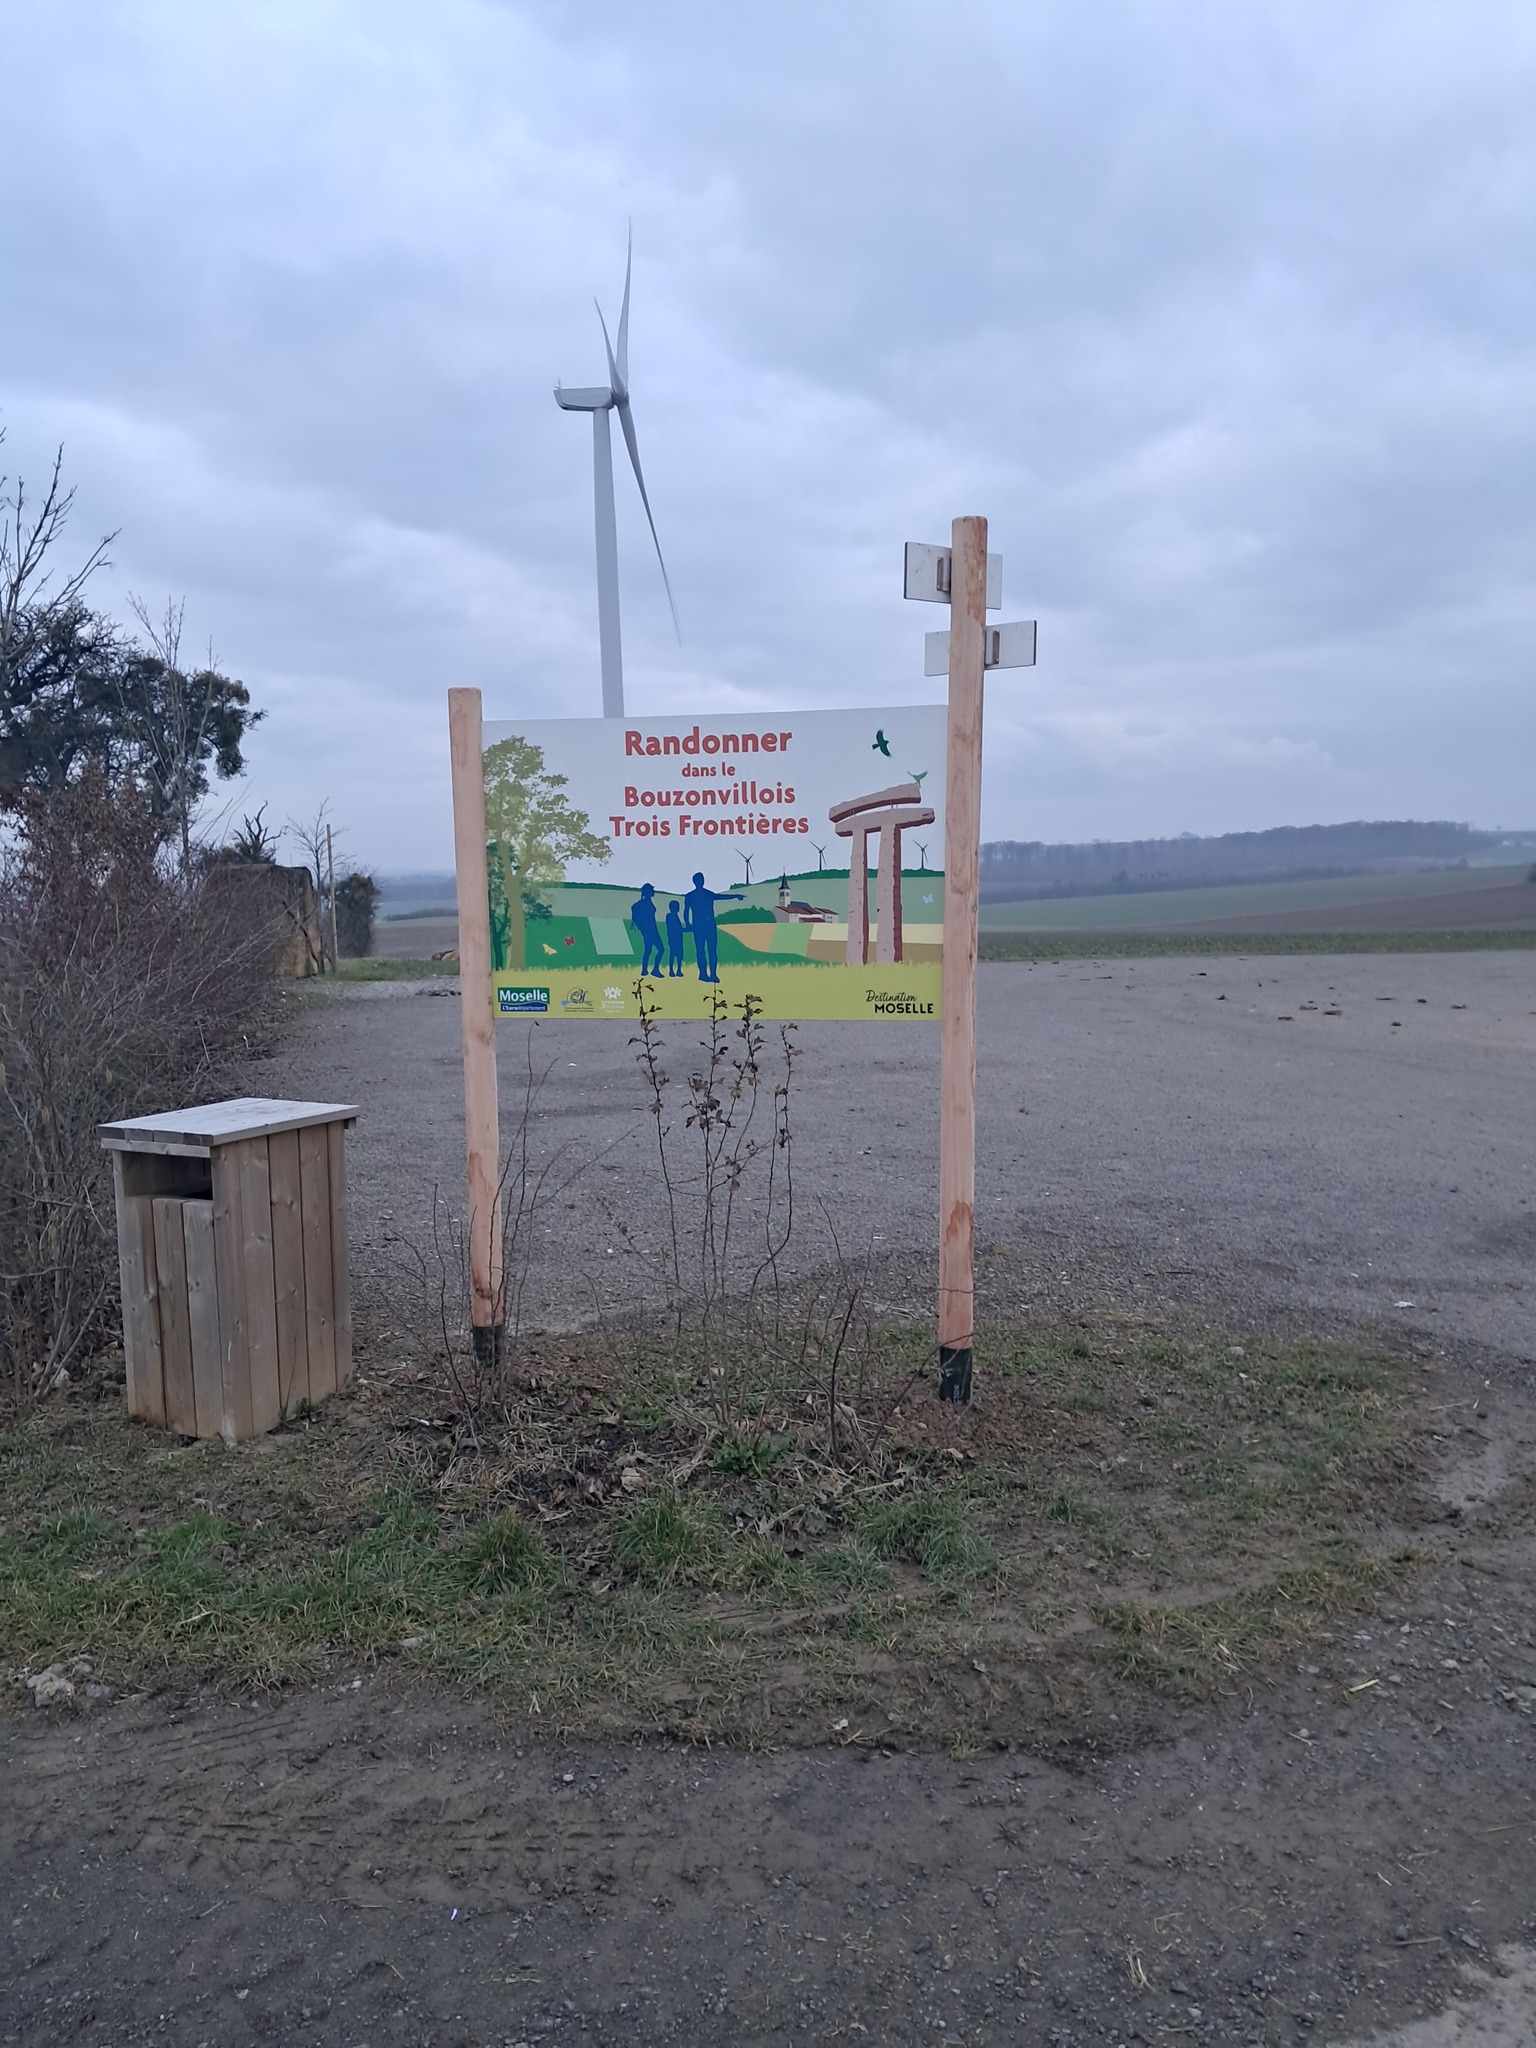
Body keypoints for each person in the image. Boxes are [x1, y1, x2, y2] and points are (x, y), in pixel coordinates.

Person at [682, 871, 743, 983]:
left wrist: (735, 896)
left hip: (705, 926)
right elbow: (686, 911)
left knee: (707, 951)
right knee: (706, 950)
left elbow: (721, 897)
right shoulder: (698, 895)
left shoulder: (698, 895)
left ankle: (711, 974)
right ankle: (705, 974)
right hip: (704, 925)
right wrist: (688, 924)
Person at [630, 882, 664, 975]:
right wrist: (640, 925)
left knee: (650, 950)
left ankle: (648, 970)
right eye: (652, 890)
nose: (654, 891)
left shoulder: (647, 902)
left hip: (652, 929)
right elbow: (634, 907)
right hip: (650, 930)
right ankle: (651, 970)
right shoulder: (644, 903)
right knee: (657, 949)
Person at [665, 899, 686, 976]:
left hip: (678, 938)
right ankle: (671, 970)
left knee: (679, 955)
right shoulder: (670, 916)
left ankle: (678, 970)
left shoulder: (675, 916)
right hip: (673, 938)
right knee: (673, 954)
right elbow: (674, 928)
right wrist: (684, 929)